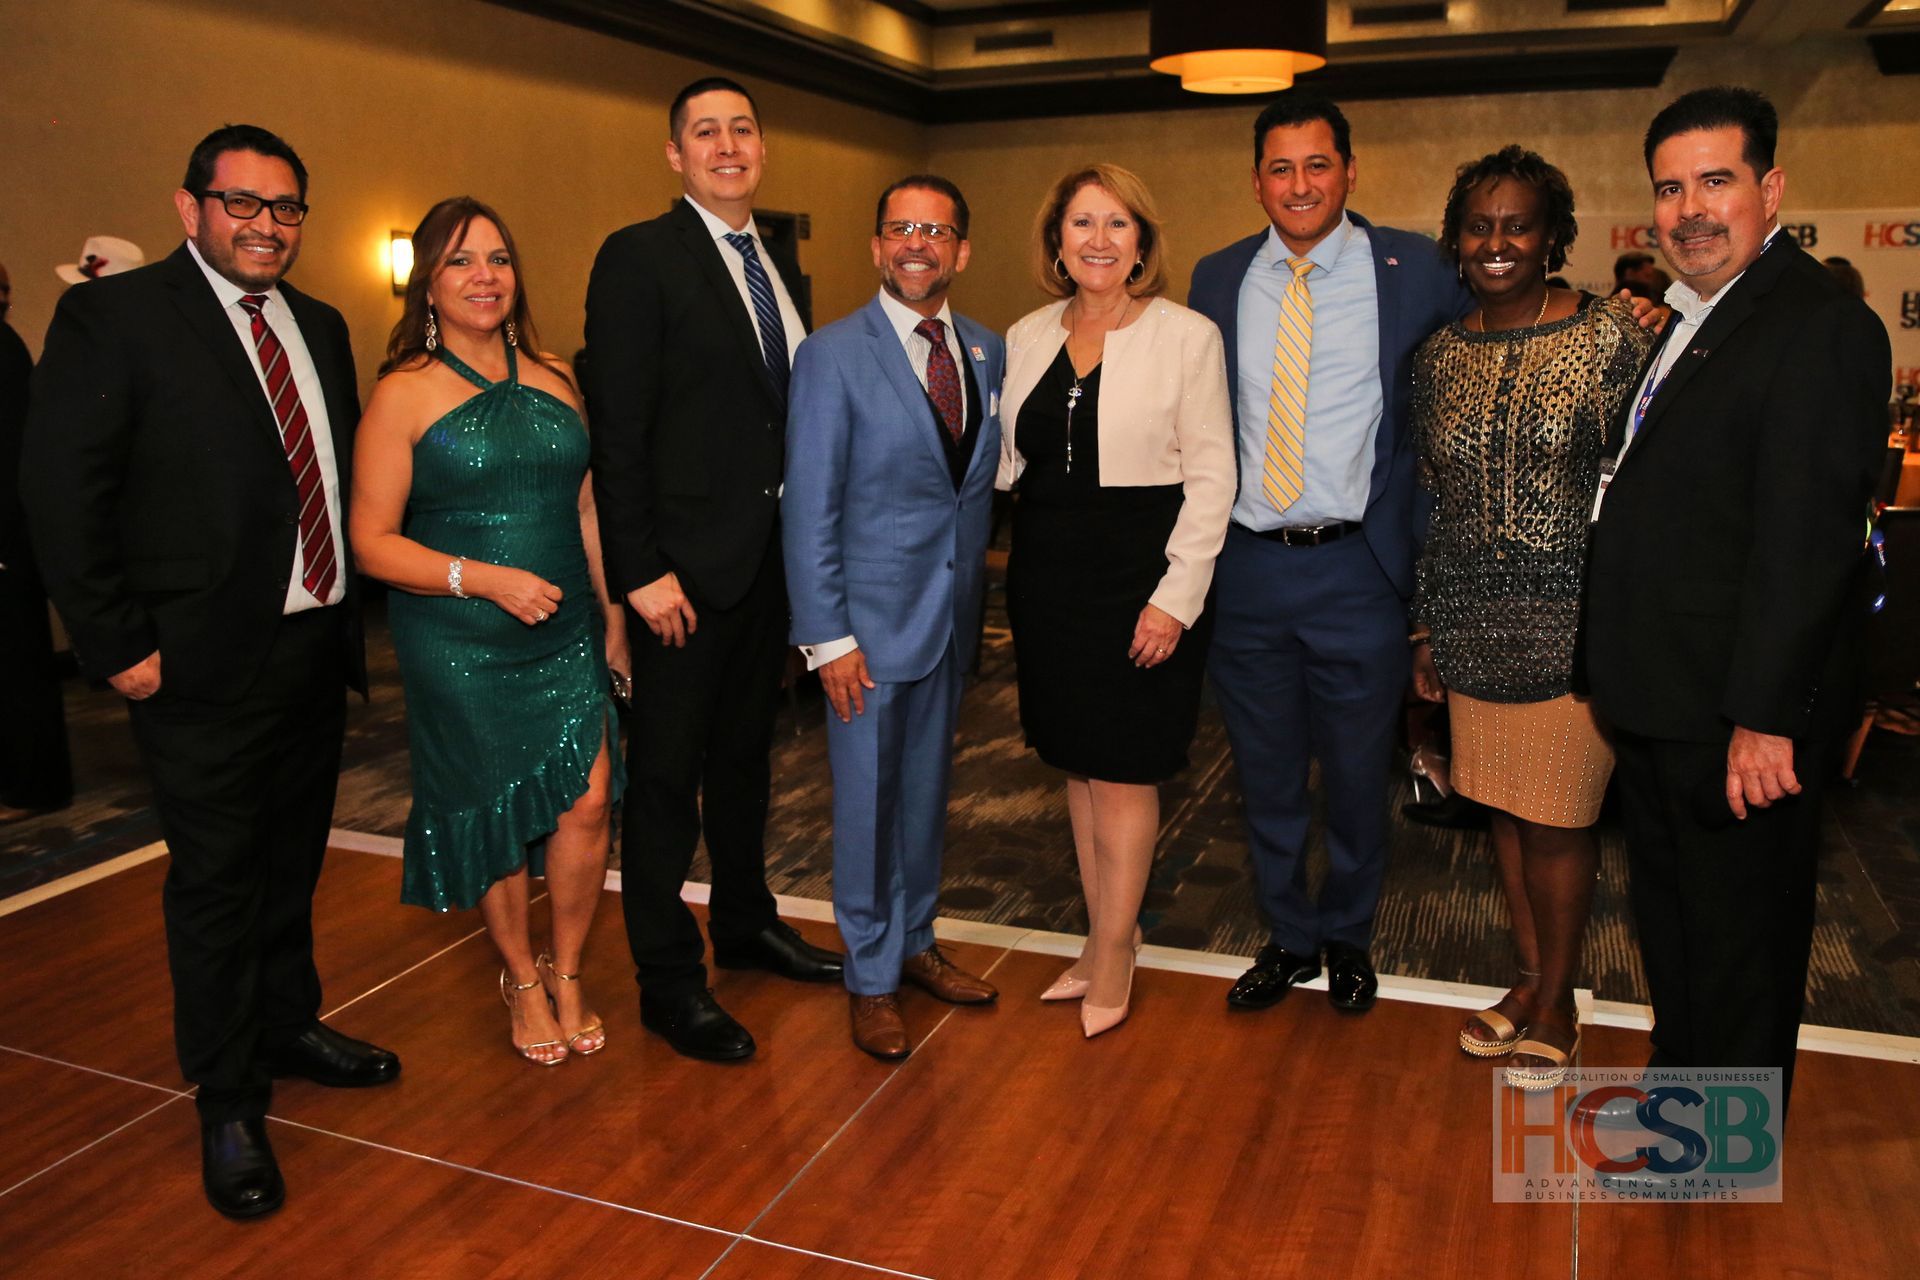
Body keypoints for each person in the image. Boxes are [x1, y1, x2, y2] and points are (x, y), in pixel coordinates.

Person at [20, 125, 399, 1220]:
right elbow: (59, 489)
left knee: (289, 861)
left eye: (286, 208)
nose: (266, 225)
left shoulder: (321, 325)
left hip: (310, 644)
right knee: (218, 880)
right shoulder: (116, 316)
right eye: (243, 203)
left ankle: (288, 1023)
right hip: (190, 661)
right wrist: (113, 643)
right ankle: (229, 1097)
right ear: (191, 209)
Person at [1584, 86, 1890, 1112]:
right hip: (1666, 699)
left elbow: (1808, 546)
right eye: (1670, 188)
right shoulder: (1697, 320)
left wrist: (1765, 717)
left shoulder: (1818, 324)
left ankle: (1718, 1147)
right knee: (1677, 926)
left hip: (1737, 716)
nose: (1689, 210)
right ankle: (1685, 1107)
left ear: (1771, 189)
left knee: (1740, 939)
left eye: (1716, 181)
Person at [1188, 93, 1466, 1015]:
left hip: (1361, 568)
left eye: (1317, 165)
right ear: (1256, 179)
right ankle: (1286, 935)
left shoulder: (1416, 269)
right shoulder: (1218, 278)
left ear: (1350, 171)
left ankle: (1347, 934)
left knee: (1355, 775)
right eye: (1280, 167)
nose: (1299, 184)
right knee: (1263, 774)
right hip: (1250, 567)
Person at [585, 75, 843, 1063]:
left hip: (765, 571)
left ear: (762, 148)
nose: (727, 144)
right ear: (675, 153)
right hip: (678, 582)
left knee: (746, 762)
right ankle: (667, 975)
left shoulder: (774, 263)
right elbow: (622, 429)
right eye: (705, 131)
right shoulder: (639, 258)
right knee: (664, 780)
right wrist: (639, 569)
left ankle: (745, 918)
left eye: (741, 129)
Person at [350, 198, 625, 1067]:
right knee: (500, 813)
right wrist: (485, 579)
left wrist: (611, 618)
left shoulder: (553, 376)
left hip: (566, 629)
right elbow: (370, 541)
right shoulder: (402, 393)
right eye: (462, 261)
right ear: (428, 282)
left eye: (498, 259)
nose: (484, 277)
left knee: (587, 800)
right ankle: (520, 977)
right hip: (459, 638)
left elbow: (586, 507)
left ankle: (570, 967)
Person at [1407, 146, 1653, 1090]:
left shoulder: (1610, 340)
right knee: (1502, 812)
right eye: (1480, 225)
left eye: (1518, 224)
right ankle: (1526, 979)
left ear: (1553, 236)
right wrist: (1427, 633)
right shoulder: (1437, 359)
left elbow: (1646, 489)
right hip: (1469, 619)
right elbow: (1437, 500)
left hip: (1574, 620)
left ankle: (1560, 1000)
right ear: (1457, 240)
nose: (1498, 242)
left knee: (1556, 818)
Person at [1001, 164, 1235, 1037]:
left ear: (1142, 241)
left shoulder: (1187, 337)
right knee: (1077, 759)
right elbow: (1010, 460)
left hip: (1142, 574)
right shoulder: (1026, 335)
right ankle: (1109, 935)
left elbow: (1213, 477)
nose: (1098, 240)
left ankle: (1112, 958)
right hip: (1048, 574)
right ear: (1056, 240)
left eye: (1117, 224)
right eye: (1081, 224)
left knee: (1126, 767)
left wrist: (1175, 599)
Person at [783, 175, 1006, 1060]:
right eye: (901, 229)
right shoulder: (832, 355)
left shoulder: (984, 350)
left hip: (949, 622)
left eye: (937, 230)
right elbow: (810, 507)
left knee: (922, 801)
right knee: (868, 808)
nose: (919, 243)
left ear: (961, 250)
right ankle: (869, 977)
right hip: (863, 635)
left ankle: (916, 945)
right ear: (877, 247)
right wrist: (827, 636)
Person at [1, 260, 74, 820]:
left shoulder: (3, 349)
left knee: (20, 669)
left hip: (10, 536)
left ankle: (34, 786)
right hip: (17, 533)